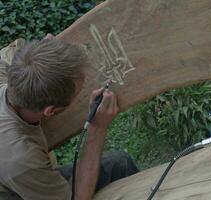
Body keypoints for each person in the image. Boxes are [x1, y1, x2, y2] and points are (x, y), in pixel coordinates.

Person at [0, 36, 139, 200]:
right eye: (78, 93)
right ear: (50, 111)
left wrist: (48, 52)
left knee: (120, 163)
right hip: (15, 190)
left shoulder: (11, 75)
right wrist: (97, 129)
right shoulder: (21, 158)